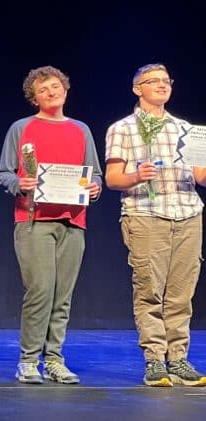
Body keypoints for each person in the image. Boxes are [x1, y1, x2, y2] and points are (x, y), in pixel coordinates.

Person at [0, 66, 102, 385]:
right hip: (33, 220)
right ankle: (28, 360)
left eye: (56, 87)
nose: (51, 92)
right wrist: (21, 183)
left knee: (62, 294)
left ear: (65, 90)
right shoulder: (21, 128)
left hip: (73, 220)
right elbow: (4, 173)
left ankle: (54, 358)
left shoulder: (80, 129)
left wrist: (94, 188)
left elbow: (93, 174)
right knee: (40, 290)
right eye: (43, 89)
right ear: (34, 97)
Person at [104, 63, 206, 387]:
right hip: (146, 214)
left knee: (180, 294)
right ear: (138, 88)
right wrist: (137, 176)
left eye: (166, 81)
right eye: (154, 81)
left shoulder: (187, 129)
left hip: (188, 214)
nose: (162, 86)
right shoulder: (123, 128)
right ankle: (154, 360)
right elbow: (112, 179)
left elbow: (201, 177)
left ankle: (178, 358)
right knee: (149, 291)